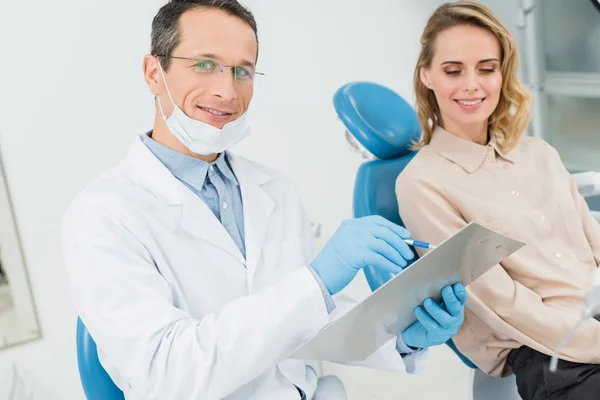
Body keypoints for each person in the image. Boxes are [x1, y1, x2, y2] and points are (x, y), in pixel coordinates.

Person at [61, 1, 467, 399]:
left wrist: (401, 336)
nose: (226, 89)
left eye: (243, 71)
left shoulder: (274, 188)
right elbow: (165, 373)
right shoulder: (102, 215)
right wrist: (317, 280)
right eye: (205, 64)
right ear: (154, 72)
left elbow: (311, 317)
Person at [396, 1, 600, 399]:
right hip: (550, 352)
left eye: (486, 68)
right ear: (427, 76)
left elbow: (593, 240)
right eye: (453, 70)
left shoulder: (539, 153)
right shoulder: (422, 184)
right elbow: (499, 303)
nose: (472, 84)